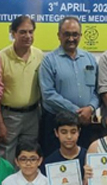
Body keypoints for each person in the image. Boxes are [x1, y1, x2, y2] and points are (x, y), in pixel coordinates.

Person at [39, 16, 100, 156]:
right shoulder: (49, 60)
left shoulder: (89, 58)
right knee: (57, 163)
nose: (71, 38)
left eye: (75, 34)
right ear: (59, 36)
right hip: (57, 123)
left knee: (84, 161)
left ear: (80, 36)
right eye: (67, 34)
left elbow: (97, 90)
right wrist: (77, 111)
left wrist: (90, 108)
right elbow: (48, 94)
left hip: (85, 123)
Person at [0, 16, 44, 163]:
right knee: (6, 154)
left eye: (31, 32)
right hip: (9, 116)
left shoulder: (39, 55)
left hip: (33, 115)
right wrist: (0, 122)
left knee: (29, 153)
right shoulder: (1, 57)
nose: (28, 36)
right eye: (23, 32)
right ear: (13, 33)